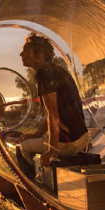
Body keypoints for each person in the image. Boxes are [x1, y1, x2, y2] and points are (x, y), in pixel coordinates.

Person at [18, 34, 88, 168]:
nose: (21, 54)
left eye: (26, 49)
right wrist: (36, 134)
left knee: (23, 146)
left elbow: (53, 115)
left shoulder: (44, 74)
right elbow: (55, 113)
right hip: (82, 138)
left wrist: (51, 150)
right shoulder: (57, 71)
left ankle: (33, 182)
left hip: (69, 142)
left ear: (39, 54)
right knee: (33, 141)